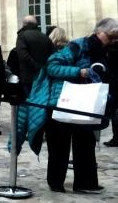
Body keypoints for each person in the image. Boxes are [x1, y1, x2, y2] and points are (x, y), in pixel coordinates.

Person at [16, 18, 118, 193]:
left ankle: (85, 183)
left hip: (85, 103)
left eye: (115, 38)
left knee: (86, 143)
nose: (112, 41)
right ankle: (56, 183)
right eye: (110, 36)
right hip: (62, 101)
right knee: (59, 144)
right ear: (99, 31)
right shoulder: (78, 45)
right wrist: (79, 72)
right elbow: (52, 66)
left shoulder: (105, 52)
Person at [15, 16, 52, 97]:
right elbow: (52, 55)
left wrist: (36, 66)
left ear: (24, 24)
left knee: (30, 101)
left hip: (29, 76)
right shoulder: (44, 36)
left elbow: (23, 55)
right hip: (43, 76)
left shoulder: (22, 36)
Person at [103, 41, 118, 147]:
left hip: (113, 82)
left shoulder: (109, 48)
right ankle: (116, 137)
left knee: (114, 110)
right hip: (113, 81)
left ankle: (116, 138)